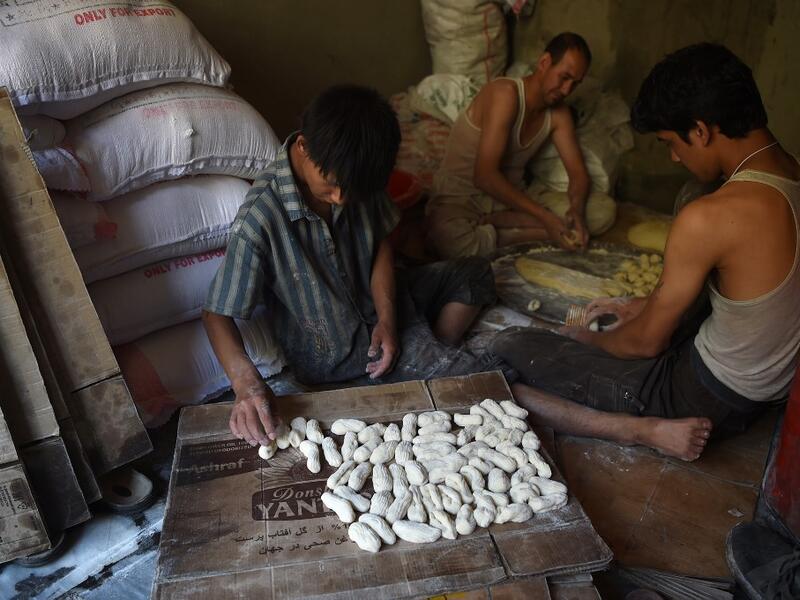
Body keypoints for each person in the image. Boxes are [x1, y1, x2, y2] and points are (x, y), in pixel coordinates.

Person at [489, 43, 800, 461]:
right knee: (694, 195)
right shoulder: (790, 173)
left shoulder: (712, 217)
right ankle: (654, 316)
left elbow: (645, 345)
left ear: (701, 130)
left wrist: (583, 339)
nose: (673, 156)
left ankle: (640, 429)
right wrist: (645, 304)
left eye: (671, 142)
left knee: (511, 346)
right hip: (771, 388)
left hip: (707, 399)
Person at [202, 85, 497, 447]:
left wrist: (388, 319)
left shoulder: (358, 172)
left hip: (386, 302)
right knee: (479, 383)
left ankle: (428, 354)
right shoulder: (261, 219)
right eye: (332, 186)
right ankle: (419, 366)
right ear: (303, 148)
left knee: (476, 272)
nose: (341, 199)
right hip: (342, 351)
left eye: (351, 190)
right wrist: (246, 385)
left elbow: (383, 243)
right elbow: (217, 314)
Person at [425, 32, 616, 259]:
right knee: (453, 242)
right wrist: (546, 219)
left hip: (509, 202)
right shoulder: (505, 95)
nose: (566, 90)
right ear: (544, 63)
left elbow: (578, 175)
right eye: (564, 77)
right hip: (463, 199)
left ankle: (506, 226)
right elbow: (484, 176)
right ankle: (534, 232)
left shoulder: (559, 114)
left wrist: (576, 209)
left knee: (602, 211)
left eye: (575, 84)